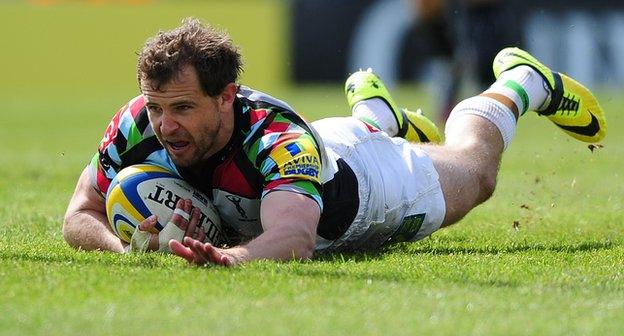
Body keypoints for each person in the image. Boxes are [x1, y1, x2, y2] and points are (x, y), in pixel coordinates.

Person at [62, 18, 606, 267]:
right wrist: (130, 250)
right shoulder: (140, 121)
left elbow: (294, 239)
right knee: (347, 139)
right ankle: (378, 114)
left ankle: (520, 83)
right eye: (156, 107)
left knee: (476, 169)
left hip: (371, 187)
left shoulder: (274, 140)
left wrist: (223, 259)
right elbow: (80, 213)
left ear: (226, 96)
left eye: (183, 109)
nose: (165, 125)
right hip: (324, 147)